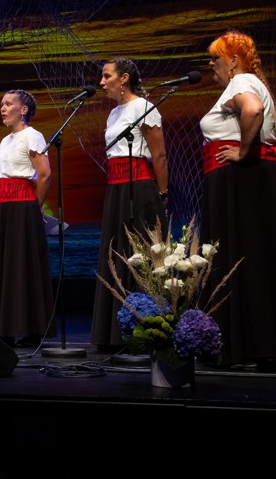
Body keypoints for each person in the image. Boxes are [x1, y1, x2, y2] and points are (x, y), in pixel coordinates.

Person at [199, 29, 276, 369]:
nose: (211, 65)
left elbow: (254, 111)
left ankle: (239, 345)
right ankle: (252, 343)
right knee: (252, 255)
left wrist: (244, 152)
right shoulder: (249, 82)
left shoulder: (241, 84)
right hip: (246, 178)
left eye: (215, 59)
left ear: (232, 62)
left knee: (235, 255)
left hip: (237, 180)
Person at [91, 57, 168, 352]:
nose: (101, 82)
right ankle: (114, 332)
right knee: (116, 252)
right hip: (116, 189)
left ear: (124, 79)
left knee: (141, 254)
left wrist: (163, 194)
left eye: (106, 76)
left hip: (140, 188)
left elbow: (159, 155)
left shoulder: (144, 107)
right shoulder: (114, 114)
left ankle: (146, 330)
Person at [0, 89, 56, 348]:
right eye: (1, 104)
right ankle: (3, 327)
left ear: (23, 110)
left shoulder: (33, 135)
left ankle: (30, 328)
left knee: (23, 266)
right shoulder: (5, 140)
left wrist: (34, 207)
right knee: (4, 265)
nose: (2, 108)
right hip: (3, 206)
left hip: (23, 204)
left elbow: (44, 174)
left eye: (8, 104)